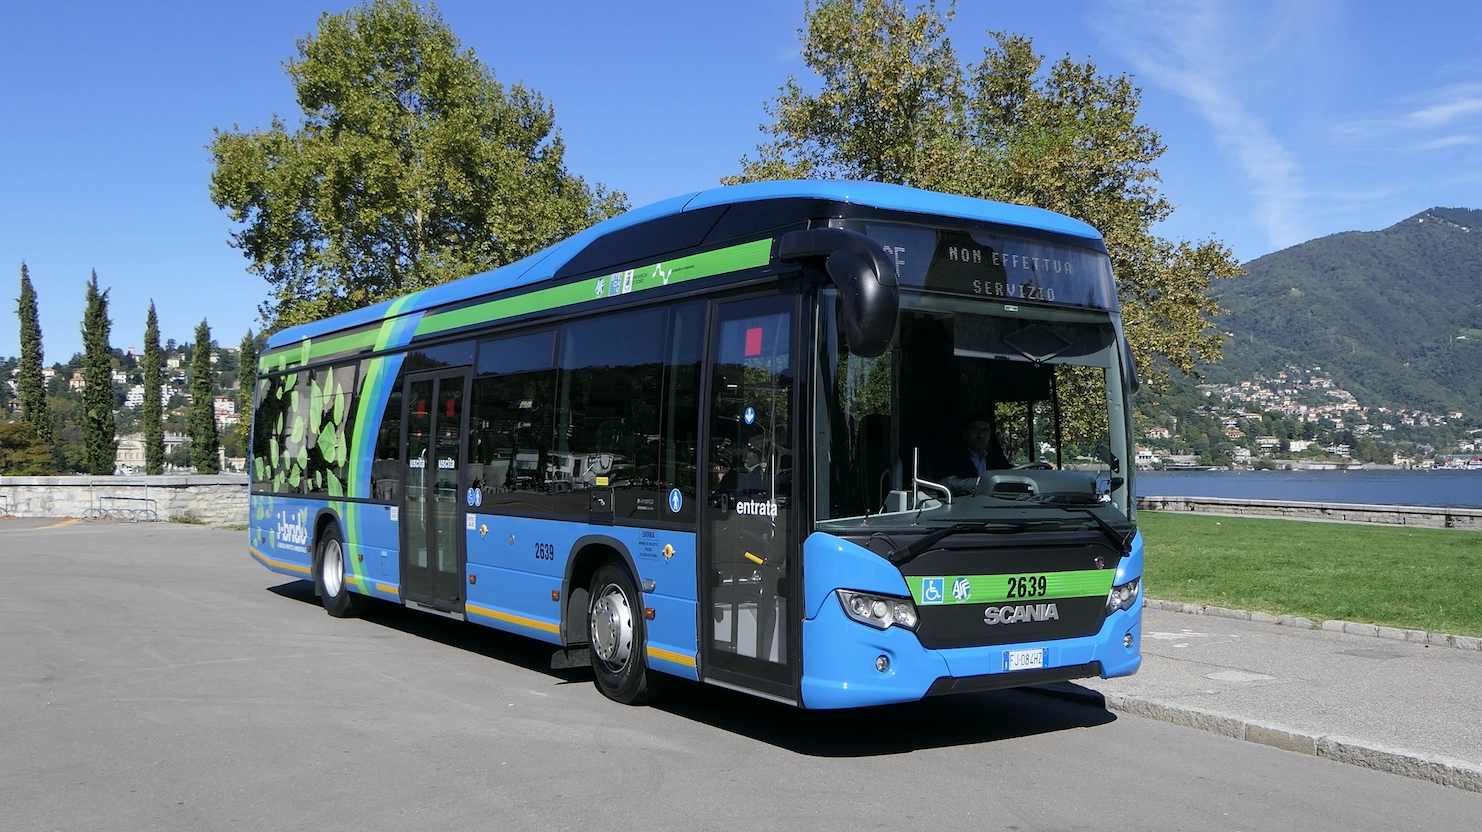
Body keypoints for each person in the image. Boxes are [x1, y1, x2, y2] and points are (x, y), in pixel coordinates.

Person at [940, 415, 1010, 496]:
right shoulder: (953, 458)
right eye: (975, 430)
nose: (981, 435)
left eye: (985, 430)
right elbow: (947, 484)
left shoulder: (995, 458)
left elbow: (1009, 475)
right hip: (965, 505)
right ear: (964, 433)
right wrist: (979, 482)